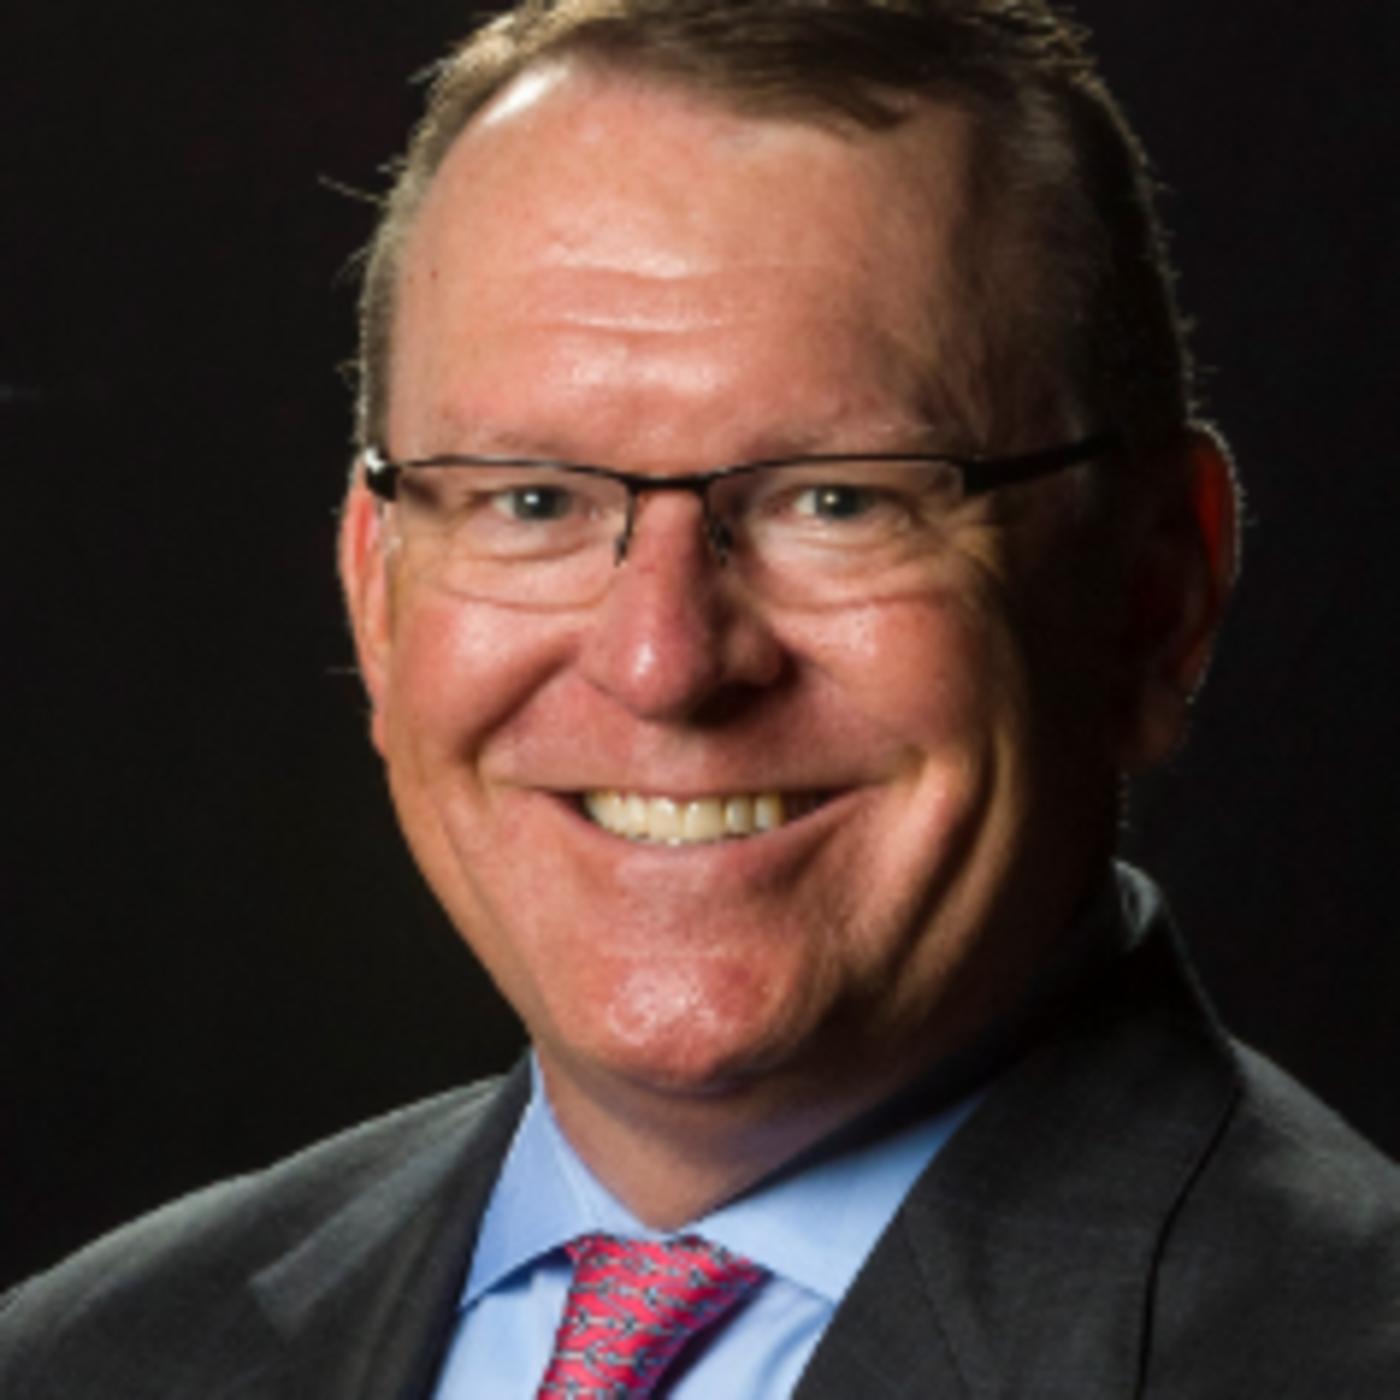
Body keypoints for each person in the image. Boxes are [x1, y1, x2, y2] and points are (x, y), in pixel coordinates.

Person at [2, 0, 1397, 1394]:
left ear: (1155, 600)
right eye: (532, 500)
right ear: (377, 594)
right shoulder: (86, 1360)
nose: (664, 663)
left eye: (838, 499)